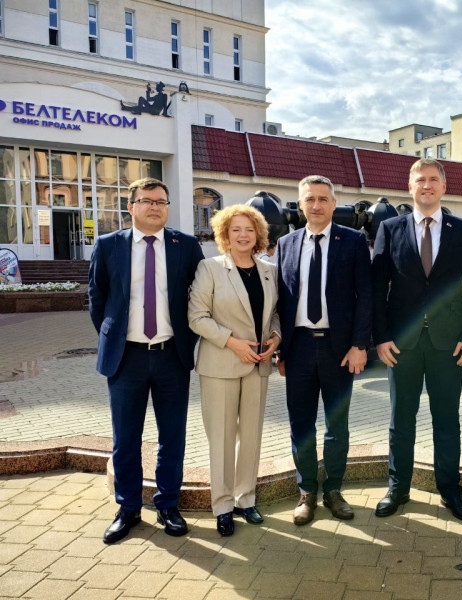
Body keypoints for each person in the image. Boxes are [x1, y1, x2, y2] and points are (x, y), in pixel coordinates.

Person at [88, 178, 204, 544]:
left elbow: (201, 298)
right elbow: (97, 298)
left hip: (172, 357)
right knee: (126, 438)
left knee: (172, 436)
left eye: (161, 201)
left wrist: (188, 340)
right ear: (131, 206)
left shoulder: (186, 246)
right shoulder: (109, 245)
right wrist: (114, 337)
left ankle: (168, 504)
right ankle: (128, 508)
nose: (154, 206)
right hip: (126, 359)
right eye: (146, 200)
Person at [372, 159, 462, 521]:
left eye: (434, 179)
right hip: (400, 345)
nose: (427, 185)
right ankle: (398, 488)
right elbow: (376, 288)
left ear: (443, 186)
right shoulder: (389, 228)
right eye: (420, 179)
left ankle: (450, 491)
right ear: (410, 187)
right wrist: (381, 337)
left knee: (447, 421)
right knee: (400, 420)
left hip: (448, 345)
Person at [275, 175, 372, 526]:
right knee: (301, 425)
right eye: (309, 199)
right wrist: (280, 350)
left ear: (333, 204)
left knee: (336, 425)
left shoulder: (353, 241)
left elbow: (366, 296)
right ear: (300, 205)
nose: (316, 205)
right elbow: (280, 299)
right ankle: (307, 492)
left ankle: (334, 490)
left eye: (322, 199)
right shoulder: (285, 244)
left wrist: (359, 345)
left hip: (339, 350)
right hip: (298, 347)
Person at [188, 205, 281, 537]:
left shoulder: (269, 270)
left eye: (249, 229)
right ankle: (223, 505)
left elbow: (275, 314)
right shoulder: (210, 267)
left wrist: (276, 337)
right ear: (225, 234)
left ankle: (246, 498)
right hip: (221, 364)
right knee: (223, 438)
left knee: (252, 437)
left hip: (258, 364)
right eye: (236, 229)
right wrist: (232, 343)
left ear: (259, 234)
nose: (243, 235)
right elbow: (197, 317)